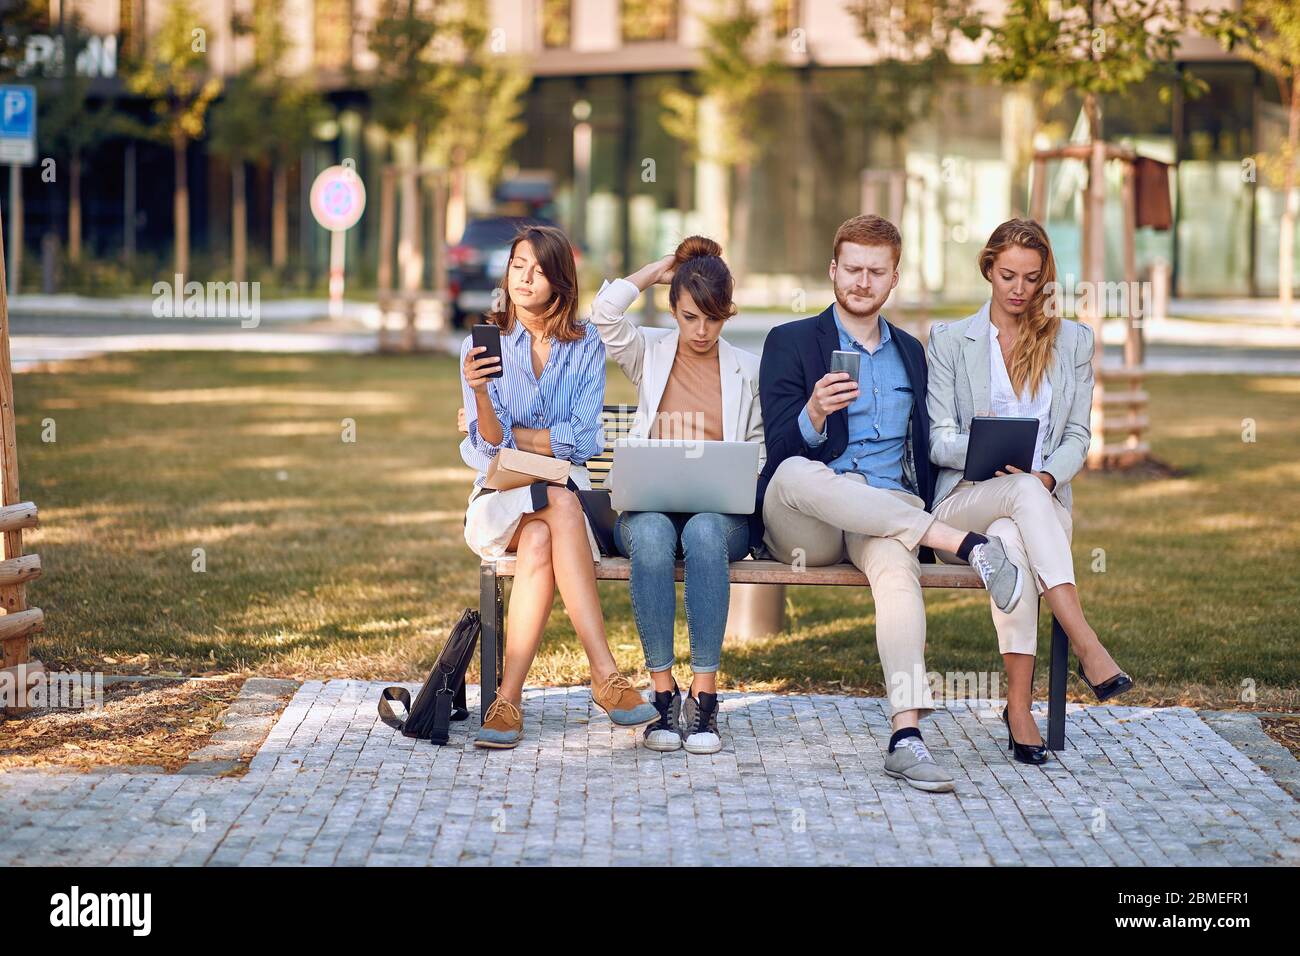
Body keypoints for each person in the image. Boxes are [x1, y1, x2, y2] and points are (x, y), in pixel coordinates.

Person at [759, 214, 1025, 794]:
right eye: (851, 269)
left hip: (885, 511)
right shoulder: (792, 342)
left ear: (893, 278)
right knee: (798, 471)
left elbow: (931, 444)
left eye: (875, 272)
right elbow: (776, 451)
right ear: (833, 270)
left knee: (896, 570)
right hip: (806, 520)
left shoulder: (910, 352)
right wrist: (815, 415)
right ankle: (963, 546)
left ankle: (906, 735)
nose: (861, 281)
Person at [926, 218, 1133, 765]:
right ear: (988, 270)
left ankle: (1019, 710)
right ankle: (1087, 645)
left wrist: (1041, 477)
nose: (1019, 290)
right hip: (965, 499)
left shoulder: (1073, 342)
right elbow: (938, 438)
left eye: (1032, 279)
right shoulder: (949, 341)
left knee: (1012, 542)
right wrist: (985, 453)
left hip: (1038, 506)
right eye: (1008, 276)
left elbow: (1077, 437)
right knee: (1012, 505)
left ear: (1045, 279)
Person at [459, 224, 657, 749]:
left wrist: (511, 434)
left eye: (539, 270)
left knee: (551, 524)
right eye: (518, 265)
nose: (525, 278)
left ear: (560, 282)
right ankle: (605, 675)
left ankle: (507, 700)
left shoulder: (585, 343)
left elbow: (585, 439)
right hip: (499, 500)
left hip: (557, 500)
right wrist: (480, 397)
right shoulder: (482, 345)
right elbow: (487, 451)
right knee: (561, 504)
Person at [588, 236, 765, 754]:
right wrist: (660, 268)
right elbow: (603, 314)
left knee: (706, 530)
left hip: (720, 515)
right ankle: (663, 694)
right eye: (689, 317)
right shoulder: (650, 352)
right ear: (673, 309)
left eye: (712, 318)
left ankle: (704, 696)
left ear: (728, 313)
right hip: (649, 508)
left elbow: (758, 451)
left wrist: (738, 475)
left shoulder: (746, 370)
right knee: (651, 530)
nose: (701, 331)